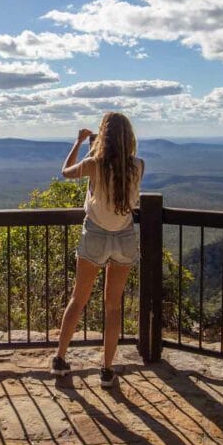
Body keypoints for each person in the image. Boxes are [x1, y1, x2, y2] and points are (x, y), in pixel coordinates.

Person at [51, 112, 144, 387]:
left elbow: (66, 171)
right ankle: (107, 369)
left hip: (95, 235)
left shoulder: (94, 164)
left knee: (78, 300)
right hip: (124, 236)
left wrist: (80, 142)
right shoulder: (138, 165)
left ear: (103, 136)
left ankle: (60, 358)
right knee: (113, 306)